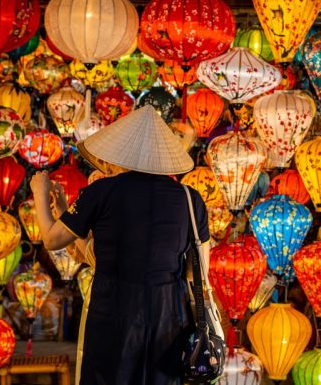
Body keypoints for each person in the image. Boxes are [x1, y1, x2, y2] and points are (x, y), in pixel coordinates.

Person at [30, 105, 217, 385]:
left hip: (113, 309)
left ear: (119, 153)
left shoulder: (102, 191)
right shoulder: (190, 198)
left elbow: (53, 239)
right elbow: (198, 270)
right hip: (168, 313)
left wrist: (40, 194)